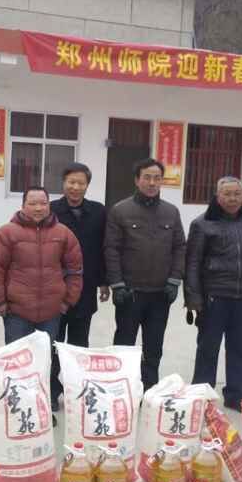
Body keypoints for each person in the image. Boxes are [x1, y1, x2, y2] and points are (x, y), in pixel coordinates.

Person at [185, 176, 242, 411]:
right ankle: (202, 394)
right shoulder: (202, 224)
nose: (232, 198)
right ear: (217, 196)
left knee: (240, 348)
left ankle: (236, 394)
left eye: (237, 194)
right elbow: (192, 263)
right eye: (227, 194)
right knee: (208, 347)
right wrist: (193, 297)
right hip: (214, 297)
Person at [105, 158, 186, 391]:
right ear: (137, 180)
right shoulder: (120, 210)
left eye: (157, 178)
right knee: (124, 345)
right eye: (147, 178)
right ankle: (121, 388)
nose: (152, 183)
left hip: (160, 293)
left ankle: (150, 388)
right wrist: (117, 284)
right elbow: (111, 249)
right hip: (130, 292)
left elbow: (180, 247)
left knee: (154, 346)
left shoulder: (171, 212)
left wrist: (174, 280)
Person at [0, 186, 83, 344]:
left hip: (52, 312)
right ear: (23, 205)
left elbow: (75, 270)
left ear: (49, 205)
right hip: (16, 312)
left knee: (44, 356)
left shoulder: (63, 233)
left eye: (43, 203)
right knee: (18, 356)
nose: (38, 208)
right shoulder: (6, 233)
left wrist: (67, 301)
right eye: (32, 204)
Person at [49, 163, 108, 412]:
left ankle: (76, 392)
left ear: (87, 185)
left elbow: (104, 248)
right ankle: (52, 391)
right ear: (63, 183)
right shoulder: (51, 210)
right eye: (71, 182)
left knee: (79, 344)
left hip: (86, 287)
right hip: (55, 287)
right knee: (53, 343)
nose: (75, 187)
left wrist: (104, 281)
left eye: (80, 183)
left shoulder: (99, 211)